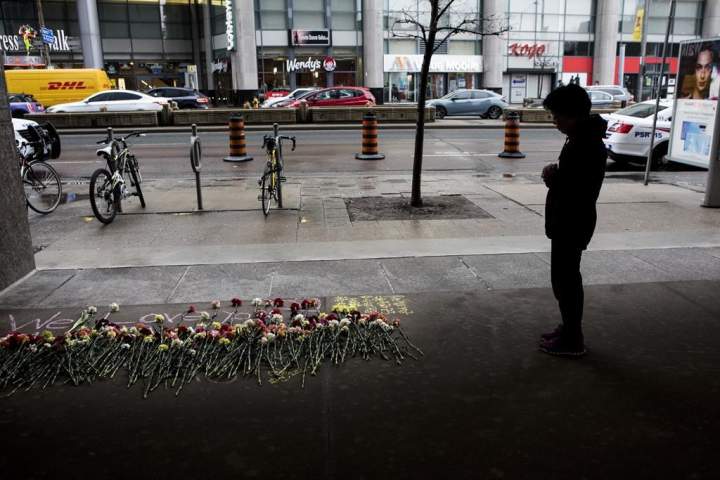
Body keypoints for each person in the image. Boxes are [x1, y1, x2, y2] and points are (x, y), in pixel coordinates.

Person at [539, 84, 607, 357]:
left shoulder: (585, 144)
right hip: (567, 219)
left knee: (566, 281)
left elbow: (579, 189)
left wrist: (552, 177)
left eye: (557, 116)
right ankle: (568, 328)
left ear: (574, 115)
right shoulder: (579, 138)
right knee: (563, 279)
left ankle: (573, 339)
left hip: (572, 221)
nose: (554, 121)